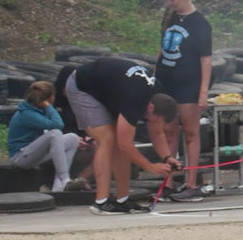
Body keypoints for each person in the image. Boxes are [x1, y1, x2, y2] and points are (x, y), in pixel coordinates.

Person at [62, 55, 178, 213]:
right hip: (82, 87)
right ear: (150, 108)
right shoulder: (135, 98)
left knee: (121, 142)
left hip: (109, 89)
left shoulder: (158, 96)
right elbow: (125, 144)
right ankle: (101, 202)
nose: (154, 123)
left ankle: (123, 199)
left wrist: (167, 157)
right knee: (108, 140)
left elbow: (157, 133)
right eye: (156, 119)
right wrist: (150, 167)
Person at [155, 0, 213, 202]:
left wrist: (203, 92)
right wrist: (154, 78)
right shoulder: (170, 18)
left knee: (190, 132)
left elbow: (206, 59)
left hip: (188, 84)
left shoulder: (200, 24)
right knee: (168, 132)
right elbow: (161, 49)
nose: (170, 4)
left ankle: (191, 183)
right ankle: (167, 183)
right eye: (168, 0)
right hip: (166, 81)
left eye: (173, 0)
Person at [7, 79, 83, 195]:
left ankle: (59, 188)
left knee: (72, 138)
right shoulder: (27, 114)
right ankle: (65, 180)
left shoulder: (37, 110)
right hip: (20, 158)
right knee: (55, 134)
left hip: (32, 153)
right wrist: (49, 106)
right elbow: (58, 125)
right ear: (48, 98)